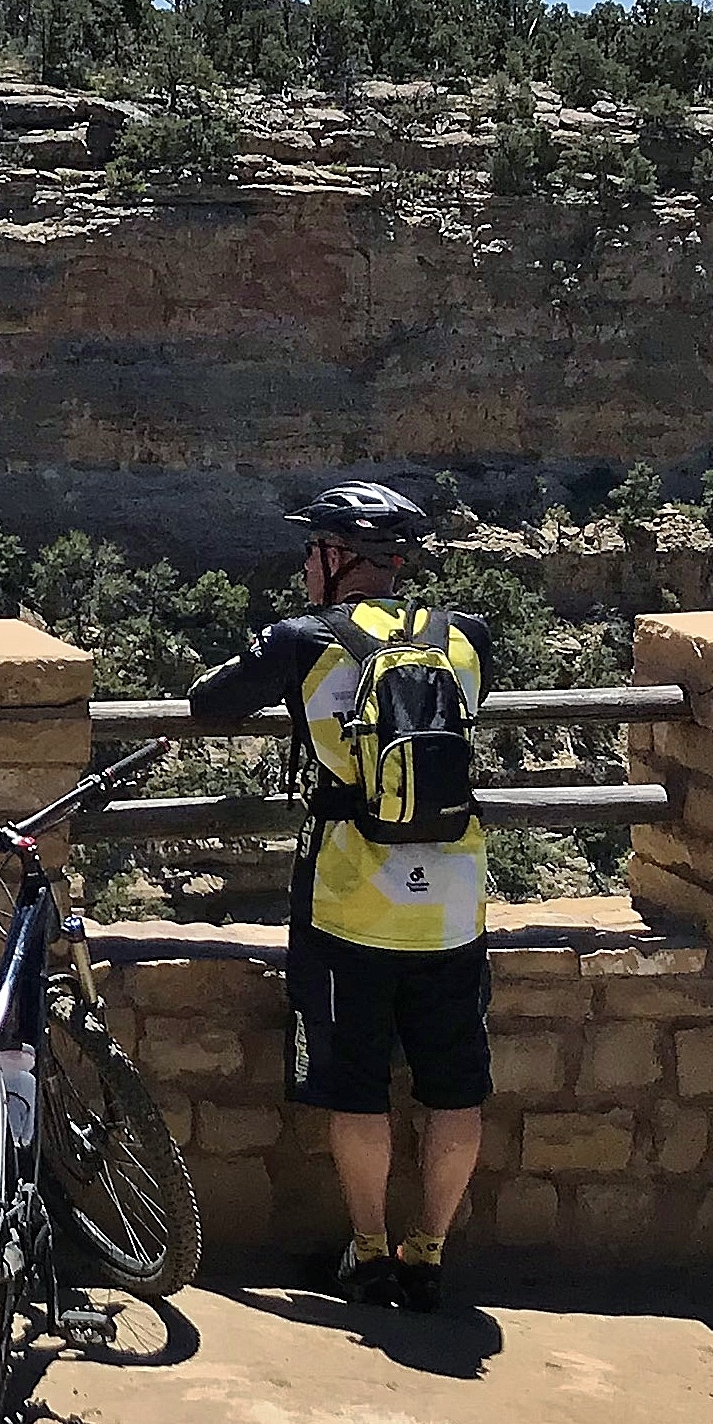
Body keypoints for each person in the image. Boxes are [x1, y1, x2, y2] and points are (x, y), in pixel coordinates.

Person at [185, 482, 489, 1311]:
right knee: (452, 1088)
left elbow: (207, 705)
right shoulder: (465, 636)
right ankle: (425, 1253)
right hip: (454, 903)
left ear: (337, 559)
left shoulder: (301, 639)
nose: (303, 563)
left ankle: (366, 1253)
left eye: (311, 549)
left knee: (355, 1087)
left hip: (348, 901)